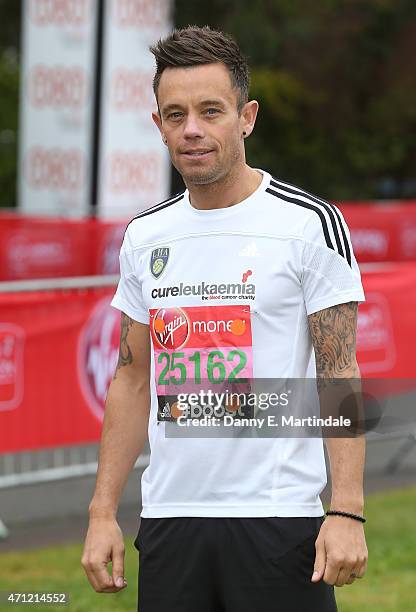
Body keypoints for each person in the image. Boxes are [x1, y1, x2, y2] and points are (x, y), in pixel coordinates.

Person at [82, 25, 368, 612]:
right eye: (175, 114)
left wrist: (346, 509)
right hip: (170, 522)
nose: (192, 129)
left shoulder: (308, 225)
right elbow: (133, 380)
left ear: (247, 117)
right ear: (158, 123)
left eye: (211, 111)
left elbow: (339, 374)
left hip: (278, 522)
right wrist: (102, 512)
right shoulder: (144, 236)